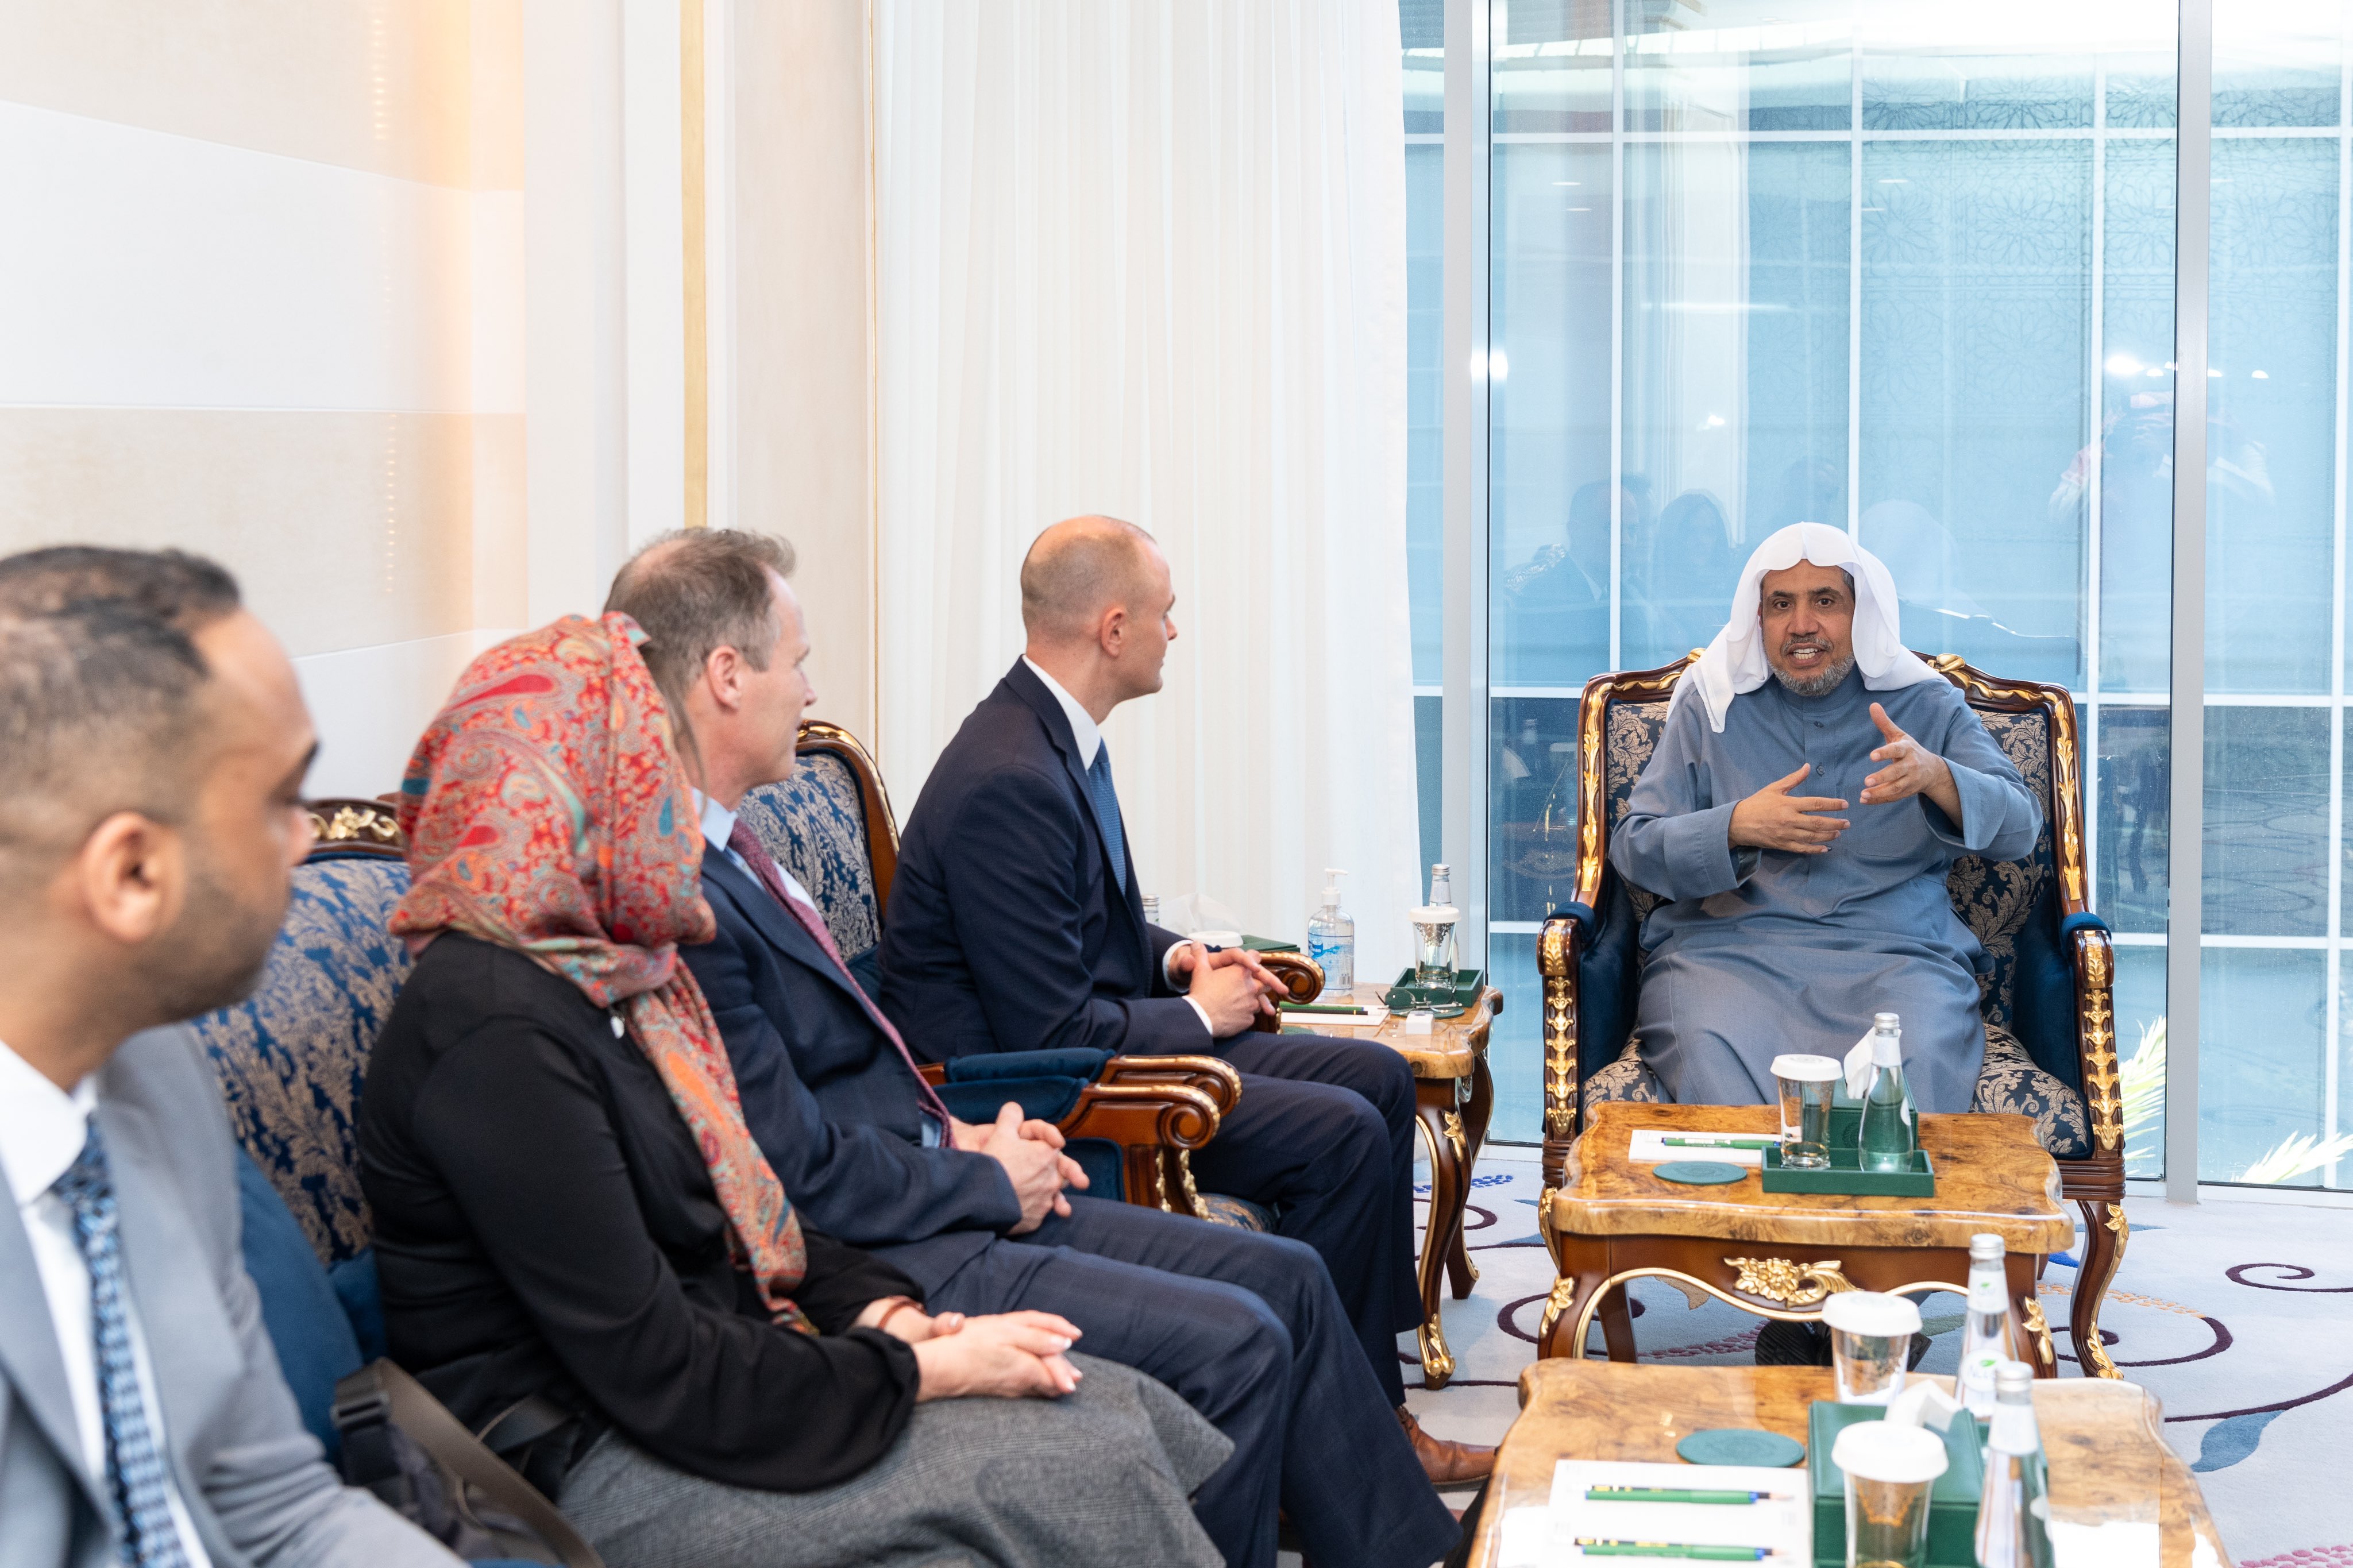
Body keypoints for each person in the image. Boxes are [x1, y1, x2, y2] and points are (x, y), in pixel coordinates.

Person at [603, 529, 1471, 1568]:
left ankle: (1393, 1538)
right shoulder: (679, 896)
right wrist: (972, 1168)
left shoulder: (728, 848)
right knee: (1246, 1329)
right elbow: (791, 1166)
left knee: (1286, 1275)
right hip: (921, 1211)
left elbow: (1031, 966)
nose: (811, 687)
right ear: (726, 677)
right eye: (797, 661)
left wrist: (974, 1135)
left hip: (952, 1143)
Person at [356, 614, 1231, 1568]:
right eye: (642, 770)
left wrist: (885, 1315)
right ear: (553, 802)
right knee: (1080, 1460)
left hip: (696, 1386)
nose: (667, 803)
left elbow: (736, 1208)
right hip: (581, 1460)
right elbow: (652, 1365)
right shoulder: (494, 1028)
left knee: (1111, 1408)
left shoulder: (606, 973)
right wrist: (919, 1368)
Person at [877, 516, 1478, 1469]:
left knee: (1377, 1078)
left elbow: (1083, 932)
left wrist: (1181, 960)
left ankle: (1358, 1396)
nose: (1175, 632)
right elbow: (1047, 1027)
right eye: (1166, 613)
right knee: (1343, 1131)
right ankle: (1347, 1443)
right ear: (1113, 628)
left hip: (1080, 1034)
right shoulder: (1009, 776)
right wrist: (1201, 1018)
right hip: (1026, 1085)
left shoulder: (1052, 733)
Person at [0, 546, 460, 1568]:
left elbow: (274, 1502)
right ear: (131, 871)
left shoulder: (151, 1077)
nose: (310, 839)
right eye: (281, 800)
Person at [1611, 522, 2043, 1114]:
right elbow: (1634, 847)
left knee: (1914, 1061)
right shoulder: (1710, 704)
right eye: (1780, 604)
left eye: (1825, 602)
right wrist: (1735, 826)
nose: (1802, 625)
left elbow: (2021, 828)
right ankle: (1742, 1211)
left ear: (1860, 614)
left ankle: (1886, 1210)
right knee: (1710, 1042)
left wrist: (1936, 776)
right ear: (1756, 618)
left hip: (1898, 955)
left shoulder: (1926, 703)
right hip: (1730, 953)